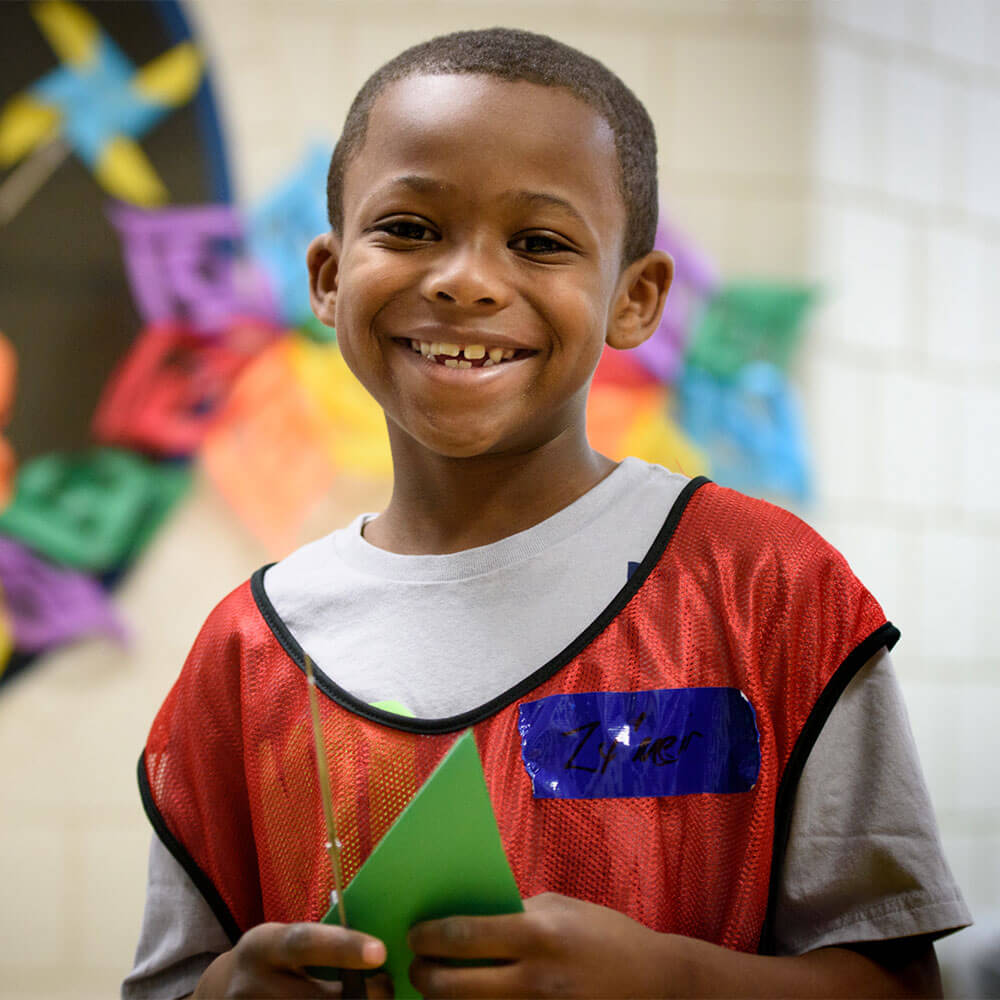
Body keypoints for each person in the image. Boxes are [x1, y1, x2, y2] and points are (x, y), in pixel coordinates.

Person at [123, 26, 970, 999]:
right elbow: (172, 981)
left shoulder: (770, 589)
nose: (466, 279)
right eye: (408, 228)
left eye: (539, 242)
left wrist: (670, 982)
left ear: (637, 297)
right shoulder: (250, 650)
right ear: (326, 275)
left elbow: (902, 982)